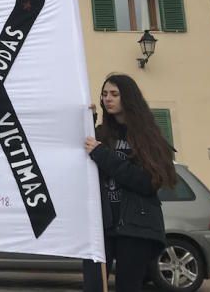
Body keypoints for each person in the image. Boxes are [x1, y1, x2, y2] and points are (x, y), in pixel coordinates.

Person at [81, 73, 176, 292]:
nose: (108, 99)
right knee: (94, 286)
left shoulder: (149, 137)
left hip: (136, 227)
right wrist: (87, 124)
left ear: (129, 98)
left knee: (128, 286)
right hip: (101, 225)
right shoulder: (100, 135)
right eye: (104, 94)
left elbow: (148, 182)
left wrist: (103, 155)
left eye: (114, 94)